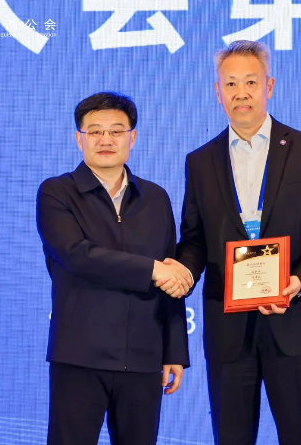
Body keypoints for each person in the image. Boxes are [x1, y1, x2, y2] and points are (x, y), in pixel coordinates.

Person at [162, 41, 301, 444]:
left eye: (250, 82)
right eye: (230, 84)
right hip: (228, 328)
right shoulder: (200, 161)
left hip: (293, 321)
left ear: (269, 86)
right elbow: (194, 239)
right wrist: (183, 270)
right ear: (218, 92)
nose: (241, 93)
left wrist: (298, 282)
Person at [36, 92, 192, 445]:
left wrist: (174, 351)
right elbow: (77, 255)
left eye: (116, 131)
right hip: (80, 355)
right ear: (79, 138)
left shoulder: (155, 198)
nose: (106, 139)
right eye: (95, 131)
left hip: (143, 356)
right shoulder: (57, 192)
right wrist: (152, 269)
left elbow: (170, 269)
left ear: (132, 137)